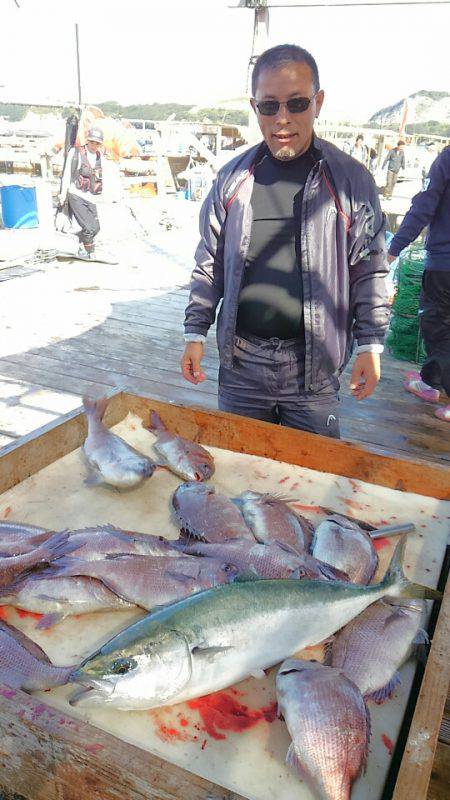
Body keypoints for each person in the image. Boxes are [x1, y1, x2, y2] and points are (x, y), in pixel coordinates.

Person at [181, 43, 389, 438]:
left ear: (318, 102)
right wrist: (195, 332)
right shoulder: (231, 179)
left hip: (313, 370)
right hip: (241, 364)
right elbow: (209, 261)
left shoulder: (350, 179)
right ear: (254, 106)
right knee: (240, 475)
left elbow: (369, 266)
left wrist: (370, 344)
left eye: (296, 104)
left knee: (311, 480)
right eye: (268, 106)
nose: (282, 119)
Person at [387, 145, 450, 422]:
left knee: (438, 327)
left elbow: (424, 206)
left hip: (444, 266)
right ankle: (431, 381)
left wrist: (394, 248)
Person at [59, 127, 104, 259]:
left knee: (96, 228)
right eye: (92, 142)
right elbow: (67, 174)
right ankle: (90, 252)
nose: (94, 145)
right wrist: (63, 194)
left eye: (97, 143)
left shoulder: (98, 156)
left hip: (90, 197)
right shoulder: (76, 152)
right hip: (76, 194)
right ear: (87, 140)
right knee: (88, 228)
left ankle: (75, 242)